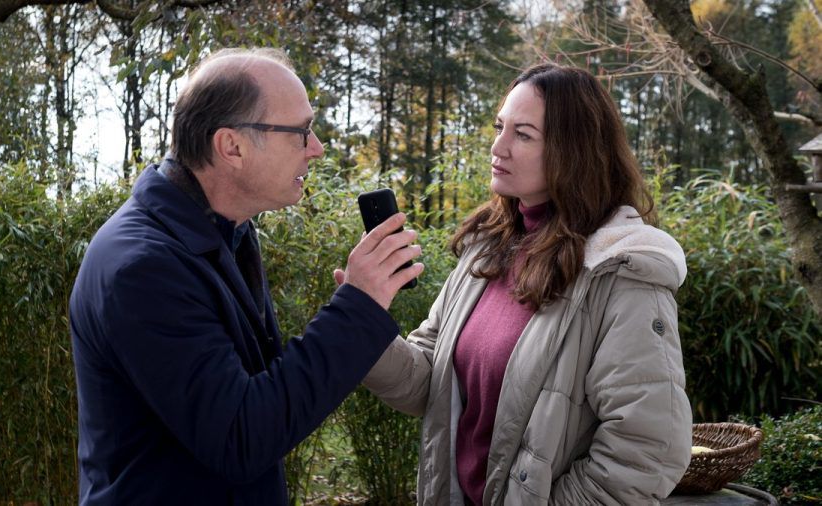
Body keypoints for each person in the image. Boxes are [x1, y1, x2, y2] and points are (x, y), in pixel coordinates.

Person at [69, 47, 423, 505]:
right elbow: (241, 438)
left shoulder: (224, 231)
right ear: (231, 146)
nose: (315, 148)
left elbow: (259, 399)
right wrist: (357, 307)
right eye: (300, 132)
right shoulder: (143, 267)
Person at [360, 63, 692, 505]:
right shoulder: (488, 248)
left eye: (523, 134)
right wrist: (361, 321)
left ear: (572, 150)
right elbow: (430, 384)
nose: (498, 147)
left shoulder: (621, 270)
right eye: (500, 127)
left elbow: (648, 448)